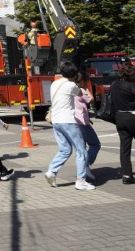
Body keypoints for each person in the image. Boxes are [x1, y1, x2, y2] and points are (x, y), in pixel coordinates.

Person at [43, 62, 94, 191]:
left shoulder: (55, 83)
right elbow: (82, 95)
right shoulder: (71, 85)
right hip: (68, 121)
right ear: (74, 74)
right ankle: (81, 181)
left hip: (56, 121)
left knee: (64, 150)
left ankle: (52, 171)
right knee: (81, 150)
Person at [75, 71, 101, 180]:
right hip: (82, 123)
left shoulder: (69, 90)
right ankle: (86, 165)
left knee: (82, 148)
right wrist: (86, 88)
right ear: (81, 81)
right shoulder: (80, 90)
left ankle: (82, 170)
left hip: (75, 122)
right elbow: (91, 99)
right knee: (95, 144)